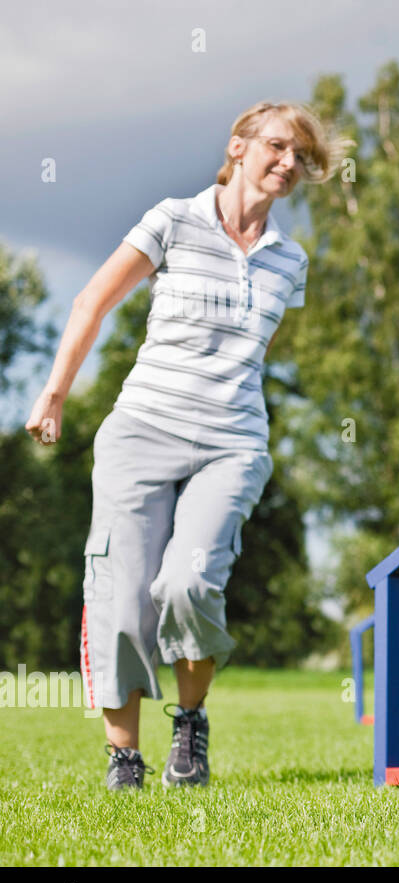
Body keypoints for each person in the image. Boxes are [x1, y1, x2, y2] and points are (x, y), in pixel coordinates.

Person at [25, 101, 350, 790]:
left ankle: (190, 725)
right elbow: (91, 301)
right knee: (123, 596)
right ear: (238, 146)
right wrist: (55, 392)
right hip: (142, 430)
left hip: (231, 443)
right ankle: (124, 759)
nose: (287, 163)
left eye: (300, 157)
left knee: (188, 582)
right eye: (276, 146)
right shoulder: (173, 219)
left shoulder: (289, 262)